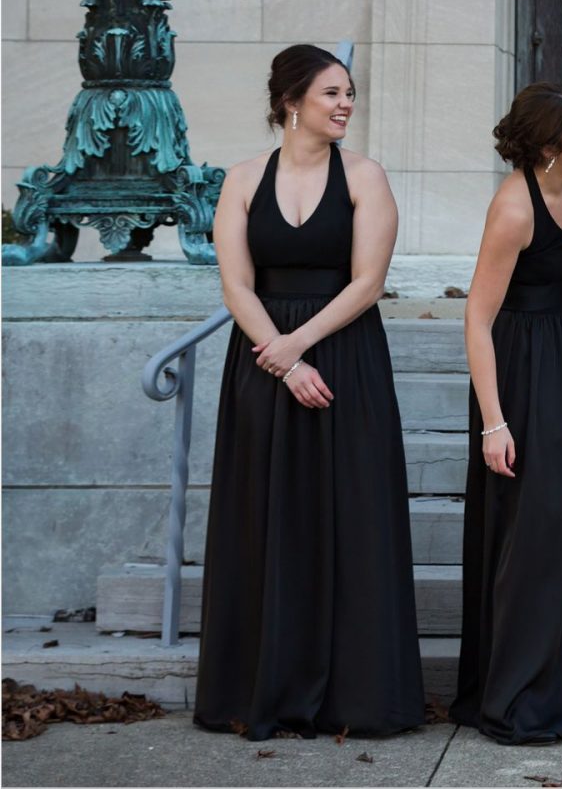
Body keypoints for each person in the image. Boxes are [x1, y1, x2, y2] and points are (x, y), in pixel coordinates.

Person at [195, 44, 423, 740]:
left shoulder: (366, 177)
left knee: (351, 516)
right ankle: (261, 688)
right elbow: (236, 283)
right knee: (266, 517)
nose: (346, 104)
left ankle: (355, 698)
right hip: (265, 366)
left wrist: (301, 346)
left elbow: (367, 282)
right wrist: (284, 362)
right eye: (332, 93)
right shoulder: (239, 180)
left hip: (345, 355)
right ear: (292, 101)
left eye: (349, 93)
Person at [449, 83, 562, 745]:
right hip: (518, 370)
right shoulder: (514, 208)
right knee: (533, 534)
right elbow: (477, 318)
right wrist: (495, 421)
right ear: (550, 145)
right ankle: (518, 696)